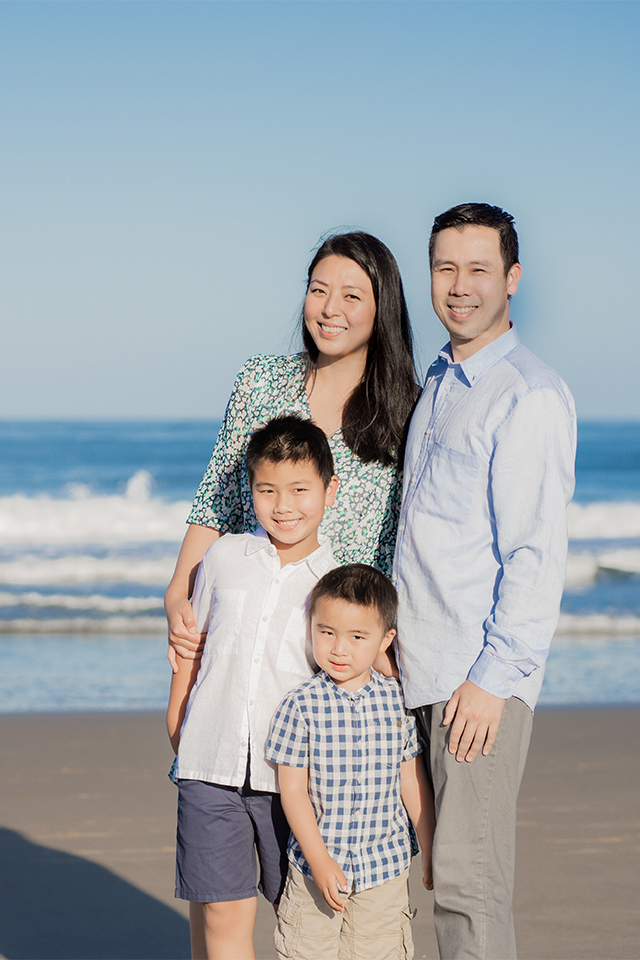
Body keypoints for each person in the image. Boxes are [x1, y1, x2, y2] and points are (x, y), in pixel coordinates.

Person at [391, 203, 576, 959]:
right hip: (415, 670)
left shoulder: (527, 394)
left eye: (477, 270)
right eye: (444, 268)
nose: (458, 286)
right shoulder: (439, 380)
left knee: (468, 887)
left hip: (473, 683)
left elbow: (537, 554)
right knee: (419, 875)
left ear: (513, 279)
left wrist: (492, 679)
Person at [164, 231, 419, 667]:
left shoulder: (409, 411)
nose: (329, 308)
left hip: (344, 655)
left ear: (383, 309)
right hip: (249, 635)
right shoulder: (259, 381)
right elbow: (218, 498)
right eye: (318, 290)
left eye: (351, 296)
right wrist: (177, 594)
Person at [166, 416, 339, 960]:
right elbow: (193, 642)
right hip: (210, 765)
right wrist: (177, 719)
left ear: (329, 492)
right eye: (267, 490)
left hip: (293, 780)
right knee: (221, 914)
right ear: (251, 489)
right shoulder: (223, 558)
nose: (283, 506)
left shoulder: (335, 582)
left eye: (299, 490)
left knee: (304, 918)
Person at [267, 563, 435, 960]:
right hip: (317, 868)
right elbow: (292, 791)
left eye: (357, 636)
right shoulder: (300, 704)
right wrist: (319, 860)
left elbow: (411, 782)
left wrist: (429, 846)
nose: (339, 649)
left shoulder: (397, 701)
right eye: (326, 633)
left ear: (384, 639)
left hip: (385, 867)